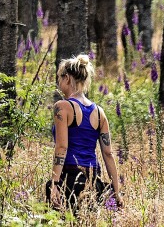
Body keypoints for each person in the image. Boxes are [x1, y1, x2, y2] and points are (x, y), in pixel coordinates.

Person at [46, 55, 123, 210]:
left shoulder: (62, 107)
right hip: (94, 178)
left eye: (59, 78)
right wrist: (117, 191)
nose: (58, 82)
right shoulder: (100, 112)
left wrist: (54, 184)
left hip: (70, 176)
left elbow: (62, 147)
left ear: (67, 78)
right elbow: (108, 153)